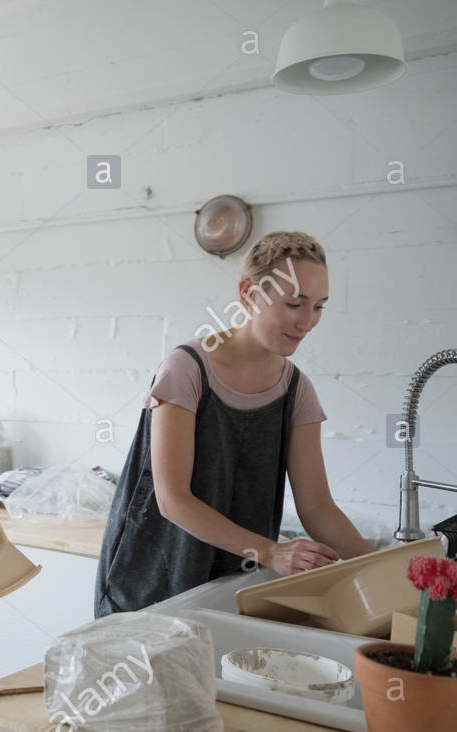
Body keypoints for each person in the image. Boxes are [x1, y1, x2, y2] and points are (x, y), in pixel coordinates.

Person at [95, 231, 373, 617]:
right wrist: (272, 552)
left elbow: (317, 507)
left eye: (319, 307)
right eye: (294, 304)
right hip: (151, 583)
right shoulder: (188, 369)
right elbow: (172, 500)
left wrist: (380, 566)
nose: (307, 322)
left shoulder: (297, 391)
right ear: (248, 294)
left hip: (230, 584)